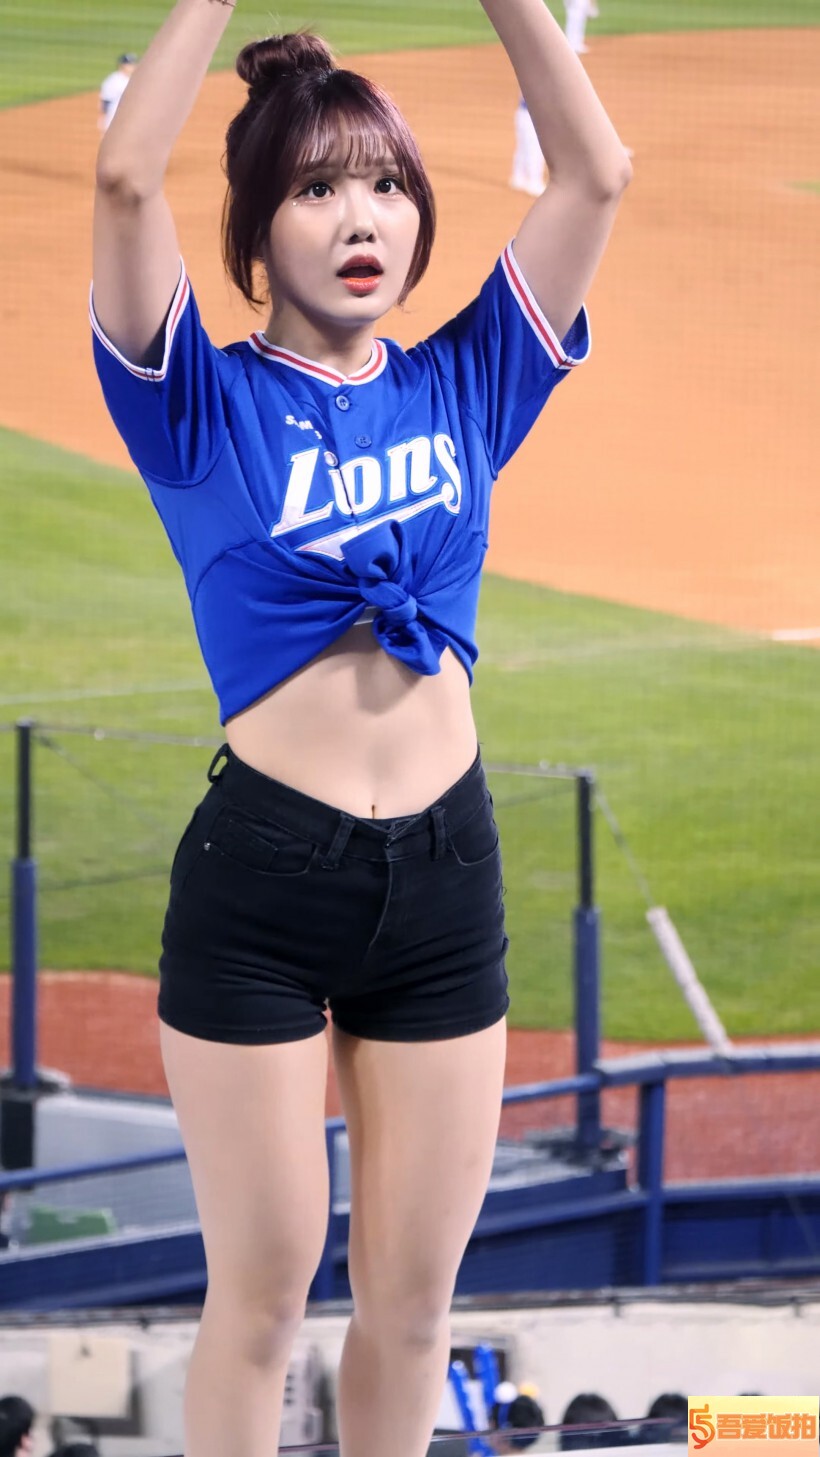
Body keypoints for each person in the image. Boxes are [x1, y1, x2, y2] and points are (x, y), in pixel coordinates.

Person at [91, 0, 630, 1453]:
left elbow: (595, 175)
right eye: (317, 188)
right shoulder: (197, 404)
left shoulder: (467, 378)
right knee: (262, 1298)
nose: (361, 218)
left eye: (387, 184)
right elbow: (126, 181)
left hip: (447, 880)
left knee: (411, 1303)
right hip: (263, 887)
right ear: (257, 235)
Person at [510, 98, 546, 198]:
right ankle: (534, 181)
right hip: (534, 115)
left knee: (523, 148)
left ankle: (518, 176)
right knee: (536, 149)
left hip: (522, 113)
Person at [98, 53, 138, 132]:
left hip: (130, 119)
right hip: (113, 119)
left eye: (133, 64)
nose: (133, 66)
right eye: (129, 64)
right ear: (122, 65)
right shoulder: (113, 81)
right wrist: (103, 118)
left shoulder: (135, 79)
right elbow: (106, 101)